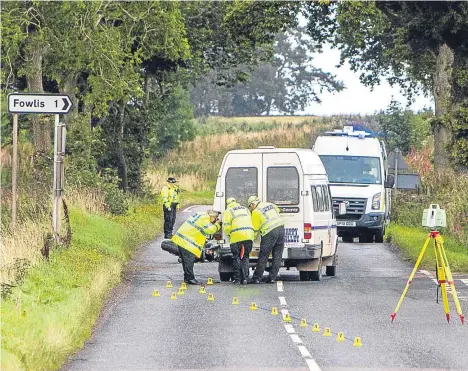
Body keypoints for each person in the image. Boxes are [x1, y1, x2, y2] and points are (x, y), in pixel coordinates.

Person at [172, 210, 220, 284]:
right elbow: (210, 230)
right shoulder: (205, 218)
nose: (215, 220)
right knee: (189, 260)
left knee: (185, 260)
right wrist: (217, 224)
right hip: (186, 241)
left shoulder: (201, 214)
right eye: (215, 218)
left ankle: (187, 278)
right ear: (212, 216)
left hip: (182, 238)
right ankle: (190, 278)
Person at [248, 196, 285, 284]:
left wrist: (250, 239)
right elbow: (278, 211)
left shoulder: (256, 212)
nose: (250, 209)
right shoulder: (270, 204)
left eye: (250, 206)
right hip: (281, 229)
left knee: (264, 256)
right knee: (277, 255)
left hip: (270, 232)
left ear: (253, 204)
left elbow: (255, 229)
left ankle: (256, 278)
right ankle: (272, 278)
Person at [223, 197, 254, 285]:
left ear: (228, 204)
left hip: (236, 236)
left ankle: (237, 279)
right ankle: (245, 279)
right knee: (245, 257)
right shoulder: (245, 209)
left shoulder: (228, 211)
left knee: (236, 257)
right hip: (249, 235)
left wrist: (230, 234)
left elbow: (227, 227)